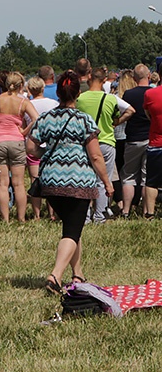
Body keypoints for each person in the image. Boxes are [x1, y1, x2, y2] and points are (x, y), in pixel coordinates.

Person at [27, 70, 113, 294]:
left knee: (72, 227)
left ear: (58, 93)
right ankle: (55, 276)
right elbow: (95, 156)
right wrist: (107, 181)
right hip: (79, 182)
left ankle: (78, 273)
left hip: (51, 183)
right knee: (72, 232)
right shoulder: (83, 120)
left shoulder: (46, 119)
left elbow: (31, 148)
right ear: (77, 93)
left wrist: (46, 151)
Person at [76, 67, 134, 223]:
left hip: (85, 143)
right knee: (104, 180)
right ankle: (100, 215)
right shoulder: (110, 99)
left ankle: (86, 215)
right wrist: (116, 123)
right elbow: (128, 111)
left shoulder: (81, 99)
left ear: (90, 79)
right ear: (103, 81)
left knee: (85, 180)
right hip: (106, 141)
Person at [0, 71, 40, 222]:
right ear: (21, 86)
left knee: (2, 183)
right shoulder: (23, 102)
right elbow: (36, 118)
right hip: (17, 141)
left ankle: (5, 219)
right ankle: (21, 218)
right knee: (19, 183)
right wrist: (25, 131)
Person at [24, 77, 59, 220]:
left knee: (34, 179)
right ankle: (52, 213)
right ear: (43, 88)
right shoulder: (54, 103)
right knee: (51, 179)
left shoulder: (27, 104)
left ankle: (37, 214)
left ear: (30, 90)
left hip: (32, 143)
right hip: (50, 144)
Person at [121, 64, 153, 218]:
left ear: (134, 78)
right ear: (149, 76)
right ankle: (147, 210)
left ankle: (126, 210)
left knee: (128, 177)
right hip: (150, 138)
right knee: (147, 177)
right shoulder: (153, 93)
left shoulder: (128, 94)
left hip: (133, 139)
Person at [142, 76, 162, 218]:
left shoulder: (150, 94)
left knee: (152, 181)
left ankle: (149, 213)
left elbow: (148, 115)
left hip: (156, 143)